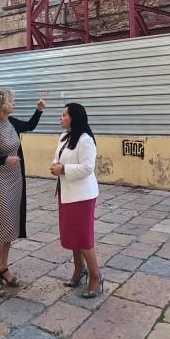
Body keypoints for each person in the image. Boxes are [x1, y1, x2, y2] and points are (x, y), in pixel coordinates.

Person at [0, 89, 45, 298]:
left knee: (11, 224)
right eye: (9, 101)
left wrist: (38, 111)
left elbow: (30, 126)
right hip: (0, 182)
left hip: (16, 180)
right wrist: (4, 159)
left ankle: (3, 267)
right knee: (0, 226)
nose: (13, 104)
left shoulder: (11, 122)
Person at [50, 102, 103, 298]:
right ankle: (79, 269)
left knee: (83, 237)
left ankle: (95, 275)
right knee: (72, 236)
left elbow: (88, 167)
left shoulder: (85, 140)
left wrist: (63, 169)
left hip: (82, 196)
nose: (61, 117)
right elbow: (58, 158)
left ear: (74, 117)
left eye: (64, 115)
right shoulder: (64, 137)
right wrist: (55, 166)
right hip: (66, 193)